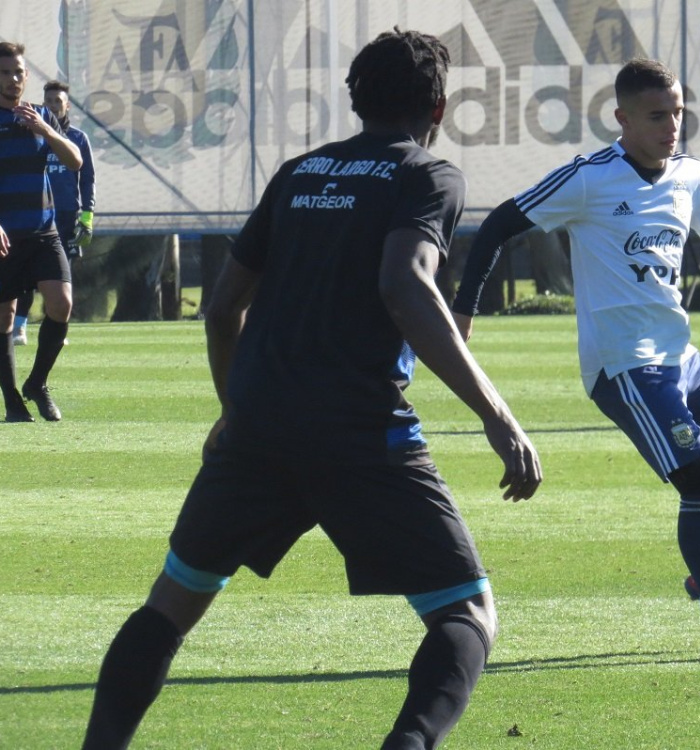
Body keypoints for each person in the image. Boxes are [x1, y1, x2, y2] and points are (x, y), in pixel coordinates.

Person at [80, 28, 541, 750]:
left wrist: (233, 410)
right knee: (468, 613)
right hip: (360, 431)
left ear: (355, 101)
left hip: (257, 429)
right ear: (439, 107)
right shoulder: (428, 175)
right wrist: (498, 414)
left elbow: (222, 309)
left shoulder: (298, 173)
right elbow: (405, 285)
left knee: (170, 604)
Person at [452, 58, 700, 662]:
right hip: (624, 365)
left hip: (679, 355)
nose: (672, 126)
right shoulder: (589, 178)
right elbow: (499, 224)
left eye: (678, 112)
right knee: (699, 477)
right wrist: (464, 308)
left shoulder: (689, 174)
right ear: (623, 119)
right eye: (658, 115)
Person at [0, 42, 81, 422]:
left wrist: (45, 128)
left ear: (26, 75)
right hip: (5, 236)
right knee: (4, 318)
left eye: (18, 72)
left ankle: (37, 383)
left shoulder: (42, 114)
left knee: (61, 304)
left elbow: (74, 161)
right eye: (5, 73)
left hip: (44, 232)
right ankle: (12, 401)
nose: (13, 79)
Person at [12, 79, 95, 346]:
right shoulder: (29, 131)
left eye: (58, 101)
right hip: (36, 214)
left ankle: (57, 328)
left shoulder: (77, 138)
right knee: (25, 274)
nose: (53, 105)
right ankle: (19, 327)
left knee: (60, 276)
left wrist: (87, 215)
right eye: (48, 101)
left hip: (66, 215)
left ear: (67, 106)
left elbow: (87, 177)